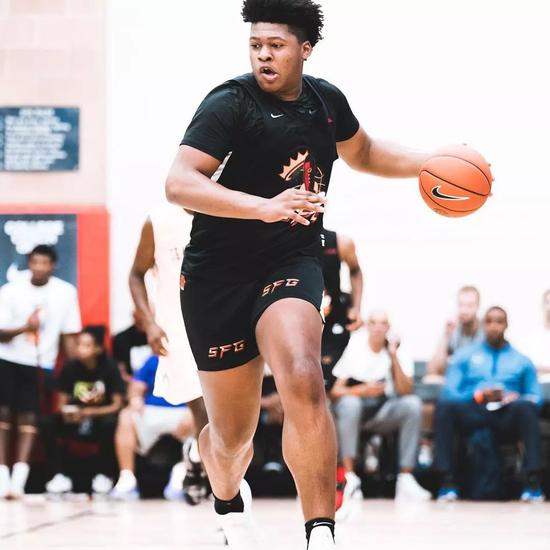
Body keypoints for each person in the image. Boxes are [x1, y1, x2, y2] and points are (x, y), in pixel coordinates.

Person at [165, 1, 434, 548]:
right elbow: (179, 183)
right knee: (232, 440)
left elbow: (365, 152)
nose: (263, 55)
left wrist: (429, 162)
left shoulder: (325, 102)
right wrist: (263, 207)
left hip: (290, 262)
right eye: (255, 45)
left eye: (276, 46)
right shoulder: (229, 103)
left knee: (304, 376)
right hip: (217, 276)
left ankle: (320, 532)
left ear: (305, 49)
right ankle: (217, 479)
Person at [127, 203, 208, 503]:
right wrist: (150, 323)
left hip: (226, 326)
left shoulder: (231, 213)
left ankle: (198, 456)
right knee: (204, 410)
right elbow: (136, 274)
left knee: (229, 421)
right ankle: (226, 500)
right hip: (178, 333)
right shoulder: (159, 221)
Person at [434, 306, 544, 502]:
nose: (494, 326)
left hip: (506, 415)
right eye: (490, 321)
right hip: (474, 411)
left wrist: (516, 398)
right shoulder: (464, 356)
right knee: (444, 408)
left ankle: (532, 483)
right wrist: (477, 395)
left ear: (506, 325)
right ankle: (446, 482)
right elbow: (449, 393)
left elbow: (536, 398)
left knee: (526, 409)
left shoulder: (522, 360)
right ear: (483, 325)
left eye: (499, 321)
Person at [0, 244, 81, 499]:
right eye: (35, 262)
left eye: (44, 263)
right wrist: (25, 328)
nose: (39, 267)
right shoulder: (10, 290)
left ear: (53, 266)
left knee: (30, 419)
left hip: (40, 363)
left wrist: (75, 373)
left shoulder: (65, 293)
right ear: (29, 263)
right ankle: (2, 478)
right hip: (7, 359)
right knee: (3, 417)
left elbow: (69, 335)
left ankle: (18, 481)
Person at [331, 311, 430, 511]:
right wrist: (363, 390)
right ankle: (350, 478)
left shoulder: (396, 350)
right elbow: (335, 392)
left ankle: (405, 479)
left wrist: (393, 355)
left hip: (382, 411)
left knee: (412, 405)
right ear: (367, 326)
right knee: (350, 404)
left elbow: (406, 391)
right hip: (354, 412)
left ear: (388, 328)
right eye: (374, 323)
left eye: (383, 323)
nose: (378, 327)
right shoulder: (355, 346)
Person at [42, 326, 124, 496]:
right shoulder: (70, 367)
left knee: (111, 424)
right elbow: (61, 403)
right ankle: (59, 475)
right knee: (47, 423)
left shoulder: (110, 367)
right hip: (75, 417)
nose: (80, 349)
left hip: (101, 417)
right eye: (79, 344)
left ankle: (103, 475)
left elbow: (117, 405)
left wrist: (89, 412)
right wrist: (68, 413)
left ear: (98, 349)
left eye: (86, 345)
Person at [111, 354, 197, 501]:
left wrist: (192, 411)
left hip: (184, 411)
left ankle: (182, 473)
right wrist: (135, 399)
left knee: (203, 418)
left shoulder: (192, 358)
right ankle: (127, 478)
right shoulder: (153, 360)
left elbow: (203, 389)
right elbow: (136, 387)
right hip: (150, 410)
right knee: (126, 416)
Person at [320, 229, 363, 392]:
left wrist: (356, 308)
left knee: (329, 374)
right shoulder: (288, 240)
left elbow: (355, 271)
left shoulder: (341, 243)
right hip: (301, 311)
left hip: (334, 311)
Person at [426, 286, 484, 382]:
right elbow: (434, 370)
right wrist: (446, 335)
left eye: (469, 305)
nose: (464, 310)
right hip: (457, 380)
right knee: (430, 379)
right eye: (461, 305)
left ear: (478, 306)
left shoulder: (486, 330)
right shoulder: (453, 329)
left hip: (478, 381)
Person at [523, 289, 550, 381]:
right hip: (538, 385)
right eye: (547, 302)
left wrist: (543, 369)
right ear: (542, 306)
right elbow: (528, 367)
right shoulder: (532, 336)